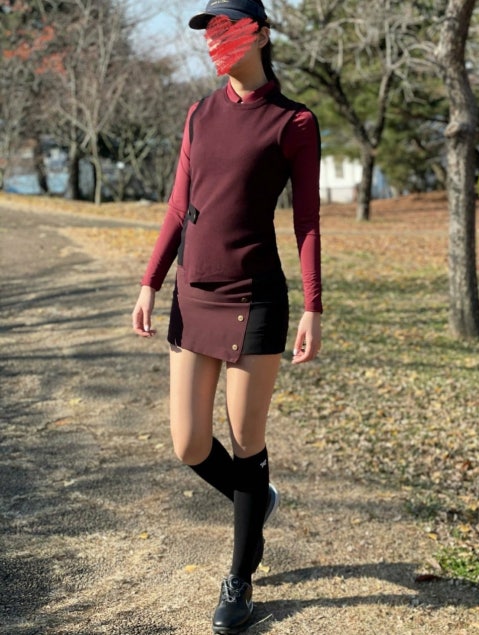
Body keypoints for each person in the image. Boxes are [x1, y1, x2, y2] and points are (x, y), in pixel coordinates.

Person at [132, 0, 322, 632]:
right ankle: (256, 499)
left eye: (229, 28)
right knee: (188, 443)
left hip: (254, 298)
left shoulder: (294, 121)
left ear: (261, 34)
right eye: (210, 30)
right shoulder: (198, 114)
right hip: (193, 293)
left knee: (245, 439)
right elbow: (177, 205)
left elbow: (307, 221)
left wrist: (314, 307)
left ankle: (240, 577)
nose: (217, 40)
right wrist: (150, 282)